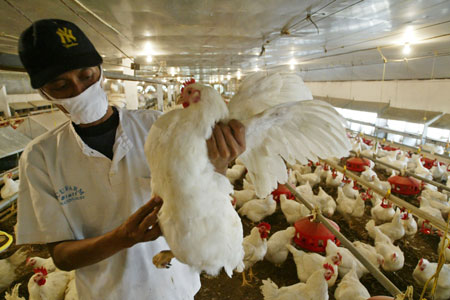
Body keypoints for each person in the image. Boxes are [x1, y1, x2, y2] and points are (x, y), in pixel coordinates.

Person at [16, 19, 245, 300]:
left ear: (101, 72)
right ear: (43, 93)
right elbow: (62, 257)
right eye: (61, 84)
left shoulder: (160, 127)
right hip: (108, 294)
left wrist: (219, 165)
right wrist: (122, 238)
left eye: (86, 76)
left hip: (174, 289)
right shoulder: (40, 157)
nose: (78, 90)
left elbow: (204, 191)